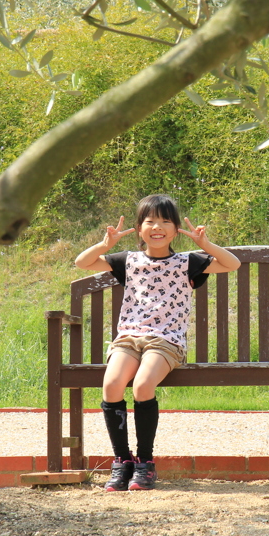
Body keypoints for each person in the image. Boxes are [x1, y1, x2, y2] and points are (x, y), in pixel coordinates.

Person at [74, 194, 241, 491]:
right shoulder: (128, 261)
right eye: (150, 221)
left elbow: (232, 264)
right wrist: (106, 245)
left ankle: (145, 463)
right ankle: (122, 461)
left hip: (166, 342)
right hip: (128, 339)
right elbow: (81, 262)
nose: (157, 227)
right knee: (112, 386)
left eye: (165, 221)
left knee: (142, 386)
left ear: (176, 229)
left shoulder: (187, 262)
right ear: (139, 228)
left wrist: (206, 245)